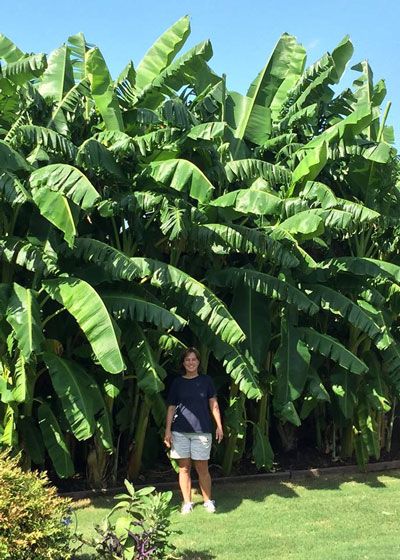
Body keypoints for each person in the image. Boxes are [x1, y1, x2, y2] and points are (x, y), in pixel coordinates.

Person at [164, 347, 224, 514]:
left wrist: (219, 426)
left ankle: (207, 500)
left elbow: (214, 405)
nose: (191, 362)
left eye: (194, 359)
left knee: (202, 467)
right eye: (187, 360)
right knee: (184, 468)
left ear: (198, 362)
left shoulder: (206, 381)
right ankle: (187, 502)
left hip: (202, 431)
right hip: (180, 431)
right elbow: (171, 408)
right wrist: (167, 431)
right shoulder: (177, 382)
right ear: (183, 363)